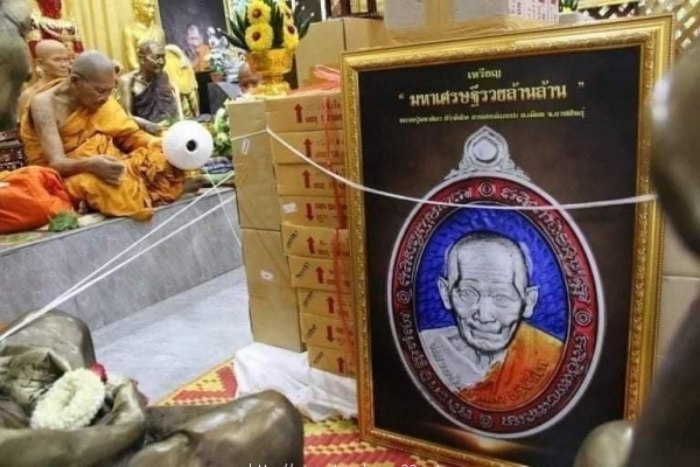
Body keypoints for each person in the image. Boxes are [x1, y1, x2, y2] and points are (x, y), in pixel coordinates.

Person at [19, 50, 185, 221]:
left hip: (110, 163)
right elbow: (57, 164)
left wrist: (163, 144)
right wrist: (91, 165)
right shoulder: (44, 104)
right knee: (107, 188)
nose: (105, 98)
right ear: (75, 81)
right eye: (100, 91)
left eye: (109, 91)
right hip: (69, 174)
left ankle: (127, 193)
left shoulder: (100, 100)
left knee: (167, 155)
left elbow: (129, 136)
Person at [421, 232, 562, 409]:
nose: (484, 315)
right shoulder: (426, 346)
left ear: (529, 302)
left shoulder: (552, 358)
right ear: (445, 293)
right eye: (467, 293)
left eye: (501, 296)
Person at [118, 41, 181, 134]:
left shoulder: (163, 76)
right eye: (156, 57)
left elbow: (173, 100)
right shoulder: (127, 81)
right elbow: (127, 116)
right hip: (145, 132)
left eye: (163, 57)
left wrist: (180, 120)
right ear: (142, 59)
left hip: (172, 127)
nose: (162, 62)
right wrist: (154, 127)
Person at [17, 39, 70, 119]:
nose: (64, 65)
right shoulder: (29, 95)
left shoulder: (75, 88)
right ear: (40, 63)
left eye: (66, 60)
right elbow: (24, 125)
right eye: (57, 60)